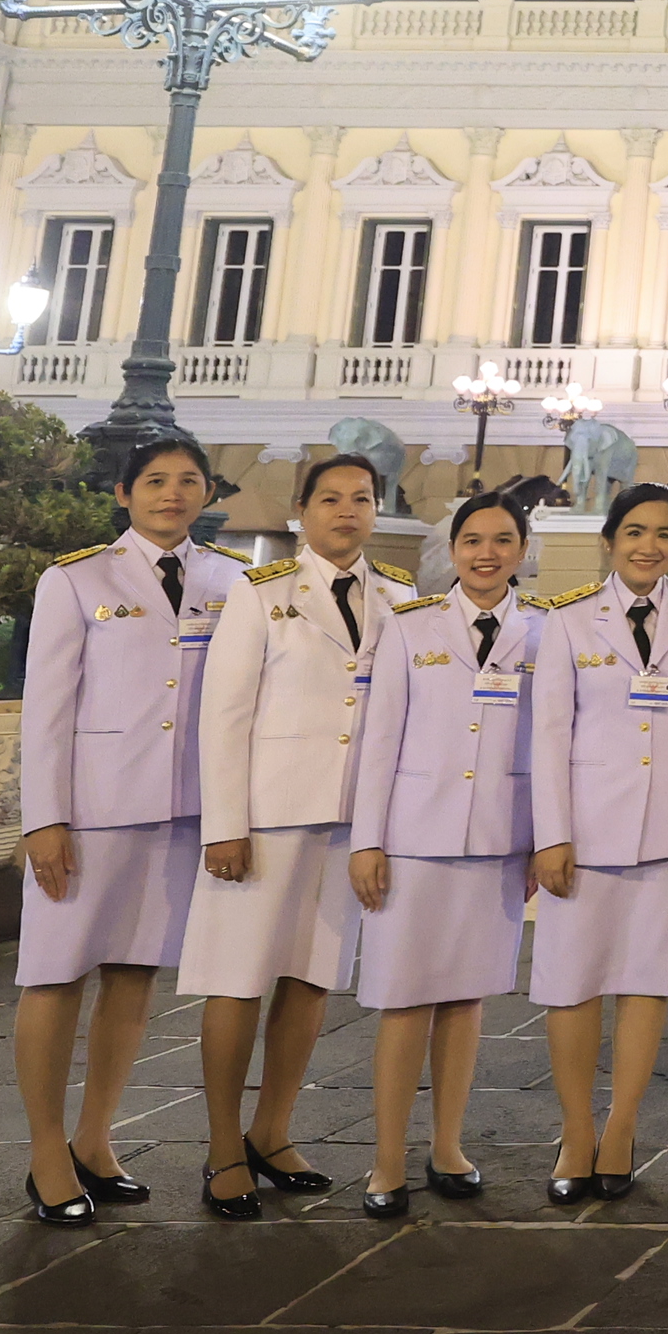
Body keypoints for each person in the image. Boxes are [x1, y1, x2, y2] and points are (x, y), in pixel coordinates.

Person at [14, 433, 240, 1225]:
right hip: (94, 809)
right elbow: (47, 708)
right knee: (54, 974)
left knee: (135, 978)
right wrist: (45, 816)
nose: (171, 494)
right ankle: (46, 1153)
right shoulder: (76, 579)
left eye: (187, 482)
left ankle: (94, 1139)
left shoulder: (233, 580)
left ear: (207, 493)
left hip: (183, 812)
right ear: (123, 493)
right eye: (153, 481)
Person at [183, 450, 404, 1218]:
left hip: (348, 819)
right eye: (331, 499)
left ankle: (270, 1131)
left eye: (362, 499)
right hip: (267, 816)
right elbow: (225, 713)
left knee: (311, 980)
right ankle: (220, 1146)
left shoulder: (401, 598)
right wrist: (224, 825)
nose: (347, 512)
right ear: (301, 514)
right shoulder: (261, 591)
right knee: (238, 979)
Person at [527, 486, 668, 1206]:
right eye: (636, 532)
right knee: (571, 987)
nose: (650, 546)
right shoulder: (570, 620)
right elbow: (548, 735)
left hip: (667, 833)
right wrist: (552, 834)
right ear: (610, 540)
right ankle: (576, 1131)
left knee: (647, 986)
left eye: (665, 534)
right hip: (586, 833)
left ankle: (621, 1128)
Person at [348, 490, 541, 1218]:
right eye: (471, 541)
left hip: (496, 841)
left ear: (521, 550)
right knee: (404, 1001)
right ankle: (387, 1158)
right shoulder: (408, 628)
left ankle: (448, 1145)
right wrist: (368, 838)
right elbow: (378, 741)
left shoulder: (544, 633)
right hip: (415, 839)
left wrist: (538, 840)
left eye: (500, 540)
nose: (486, 554)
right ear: (452, 551)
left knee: (465, 1000)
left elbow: (549, 748)